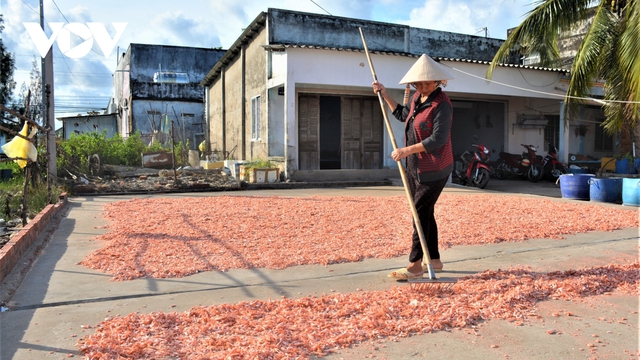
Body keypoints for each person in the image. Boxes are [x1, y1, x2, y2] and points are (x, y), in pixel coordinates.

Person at [372, 54, 454, 279]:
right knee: (425, 212)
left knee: (418, 212)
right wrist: (385, 94)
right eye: (419, 83)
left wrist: (405, 150)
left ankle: (415, 264)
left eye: (427, 82)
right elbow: (401, 115)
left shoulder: (442, 105)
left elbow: (437, 140)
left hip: (435, 168)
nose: (423, 86)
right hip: (414, 167)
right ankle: (434, 260)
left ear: (437, 81)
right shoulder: (417, 98)